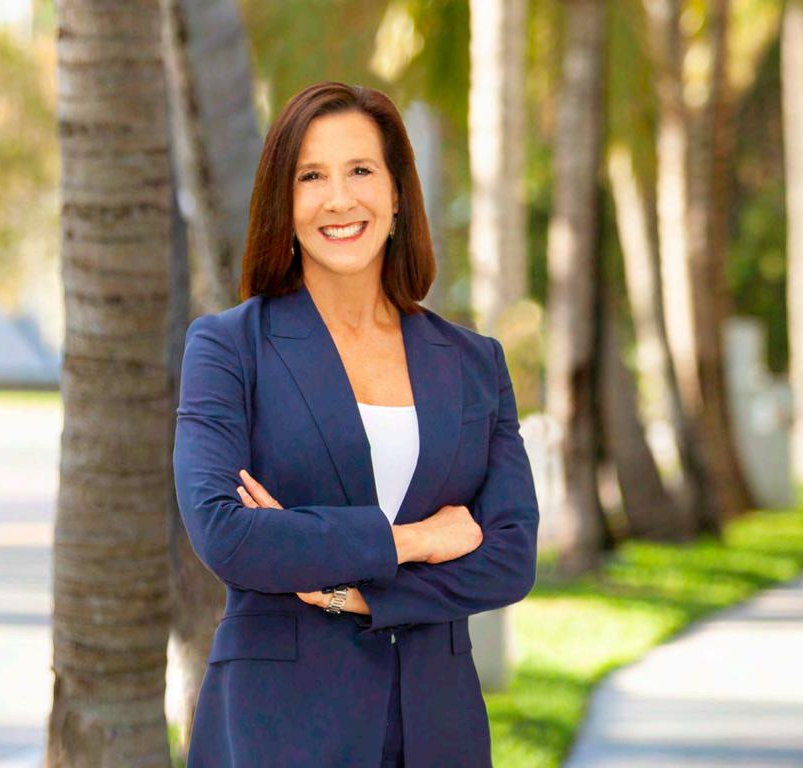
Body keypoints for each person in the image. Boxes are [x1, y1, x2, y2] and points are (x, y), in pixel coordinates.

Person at [173, 81, 540, 767]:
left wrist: (354, 595)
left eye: (361, 170)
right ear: (282, 202)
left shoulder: (473, 363)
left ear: (397, 193)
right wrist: (415, 540)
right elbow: (225, 533)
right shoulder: (229, 348)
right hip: (279, 730)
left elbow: (509, 558)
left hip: (438, 730)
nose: (339, 199)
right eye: (311, 176)